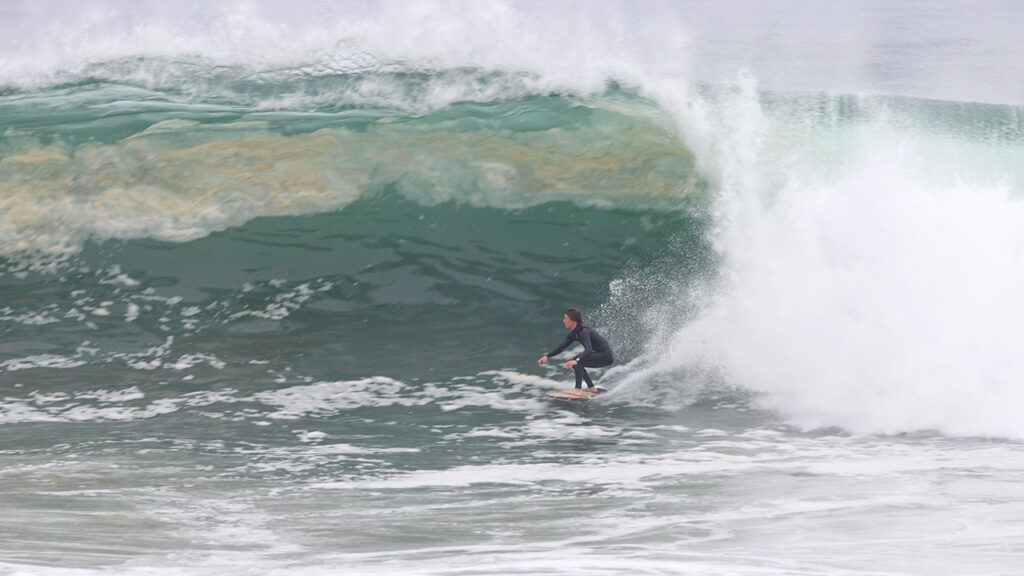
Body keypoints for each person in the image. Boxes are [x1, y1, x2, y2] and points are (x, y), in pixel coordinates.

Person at [537, 308, 614, 392]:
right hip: (599, 354)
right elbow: (561, 347)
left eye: (566, 318)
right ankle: (591, 388)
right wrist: (547, 356)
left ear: (573, 321)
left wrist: (577, 360)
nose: (563, 321)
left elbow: (588, 349)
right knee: (577, 361)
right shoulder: (574, 333)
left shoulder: (583, 332)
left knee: (576, 361)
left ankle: (577, 389)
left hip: (605, 356)